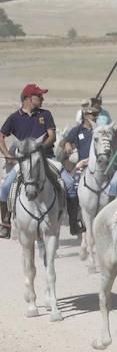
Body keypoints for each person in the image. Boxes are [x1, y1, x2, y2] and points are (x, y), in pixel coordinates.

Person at [1, 84, 63, 239]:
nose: (42, 99)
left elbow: (52, 136)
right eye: (39, 96)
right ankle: (6, 223)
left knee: (68, 184)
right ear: (29, 99)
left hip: (47, 158)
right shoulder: (14, 118)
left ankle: (74, 221)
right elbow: (1, 136)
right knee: (5, 187)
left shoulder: (46, 114)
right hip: (24, 162)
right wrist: (7, 154)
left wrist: (39, 148)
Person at [59, 105, 97, 236]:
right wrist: (68, 144)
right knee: (74, 189)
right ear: (86, 115)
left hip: (98, 164)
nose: (95, 117)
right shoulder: (77, 130)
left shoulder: (98, 130)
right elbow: (63, 142)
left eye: (96, 115)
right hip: (83, 165)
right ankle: (76, 220)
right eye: (92, 115)